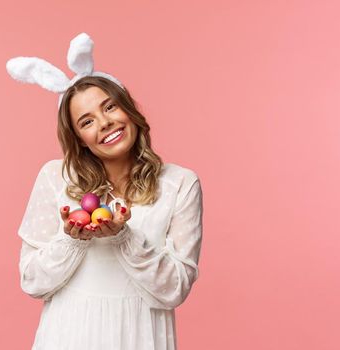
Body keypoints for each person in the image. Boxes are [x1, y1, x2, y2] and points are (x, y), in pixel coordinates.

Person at [15, 74, 203, 350]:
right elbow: (32, 281)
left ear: (129, 108)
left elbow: (174, 288)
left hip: (141, 339)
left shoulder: (180, 184)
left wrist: (124, 238)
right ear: (78, 139)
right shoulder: (56, 177)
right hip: (67, 336)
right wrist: (71, 240)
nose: (105, 123)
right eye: (87, 121)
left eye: (110, 107)